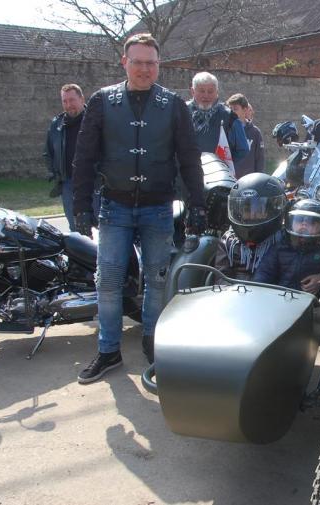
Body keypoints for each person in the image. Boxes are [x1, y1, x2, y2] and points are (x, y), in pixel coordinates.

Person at [72, 33, 207, 383]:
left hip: (158, 207)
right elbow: (84, 156)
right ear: (124, 62)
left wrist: (198, 204)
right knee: (108, 281)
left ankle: (152, 343)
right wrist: (81, 205)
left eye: (151, 63)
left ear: (159, 65)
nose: (144, 69)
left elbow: (189, 159)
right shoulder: (102, 101)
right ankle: (108, 351)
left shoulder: (173, 105)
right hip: (114, 207)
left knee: (157, 281)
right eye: (138, 62)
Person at [254, 199, 320, 293]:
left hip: (311, 299)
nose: (304, 225)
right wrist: (257, 289)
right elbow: (264, 272)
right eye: (299, 220)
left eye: (312, 222)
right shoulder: (280, 248)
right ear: (290, 223)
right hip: (280, 296)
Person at [44, 83, 100, 229]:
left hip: (94, 183)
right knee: (76, 230)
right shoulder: (56, 125)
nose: (69, 105)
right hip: (69, 185)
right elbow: (48, 153)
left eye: (72, 100)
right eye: (65, 101)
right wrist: (56, 174)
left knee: (103, 228)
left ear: (82, 99)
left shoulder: (96, 121)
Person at [215, 173, 286, 281]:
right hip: (234, 290)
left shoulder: (283, 240)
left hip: (270, 290)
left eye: (258, 210)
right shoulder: (229, 241)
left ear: (271, 210)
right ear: (239, 211)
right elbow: (221, 278)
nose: (252, 215)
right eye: (247, 210)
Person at [186, 72, 249, 170]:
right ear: (193, 91)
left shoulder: (230, 118)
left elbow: (243, 149)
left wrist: (225, 166)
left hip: (217, 175)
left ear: (217, 92)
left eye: (210, 91)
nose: (206, 95)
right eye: (202, 91)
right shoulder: (180, 112)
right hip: (184, 174)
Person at [226, 93, 265, 178]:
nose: (232, 112)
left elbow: (259, 159)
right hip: (229, 177)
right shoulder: (225, 130)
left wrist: (258, 178)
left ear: (245, 109)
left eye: (235, 109)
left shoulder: (255, 132)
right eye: (230, 109)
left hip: (248, 178)